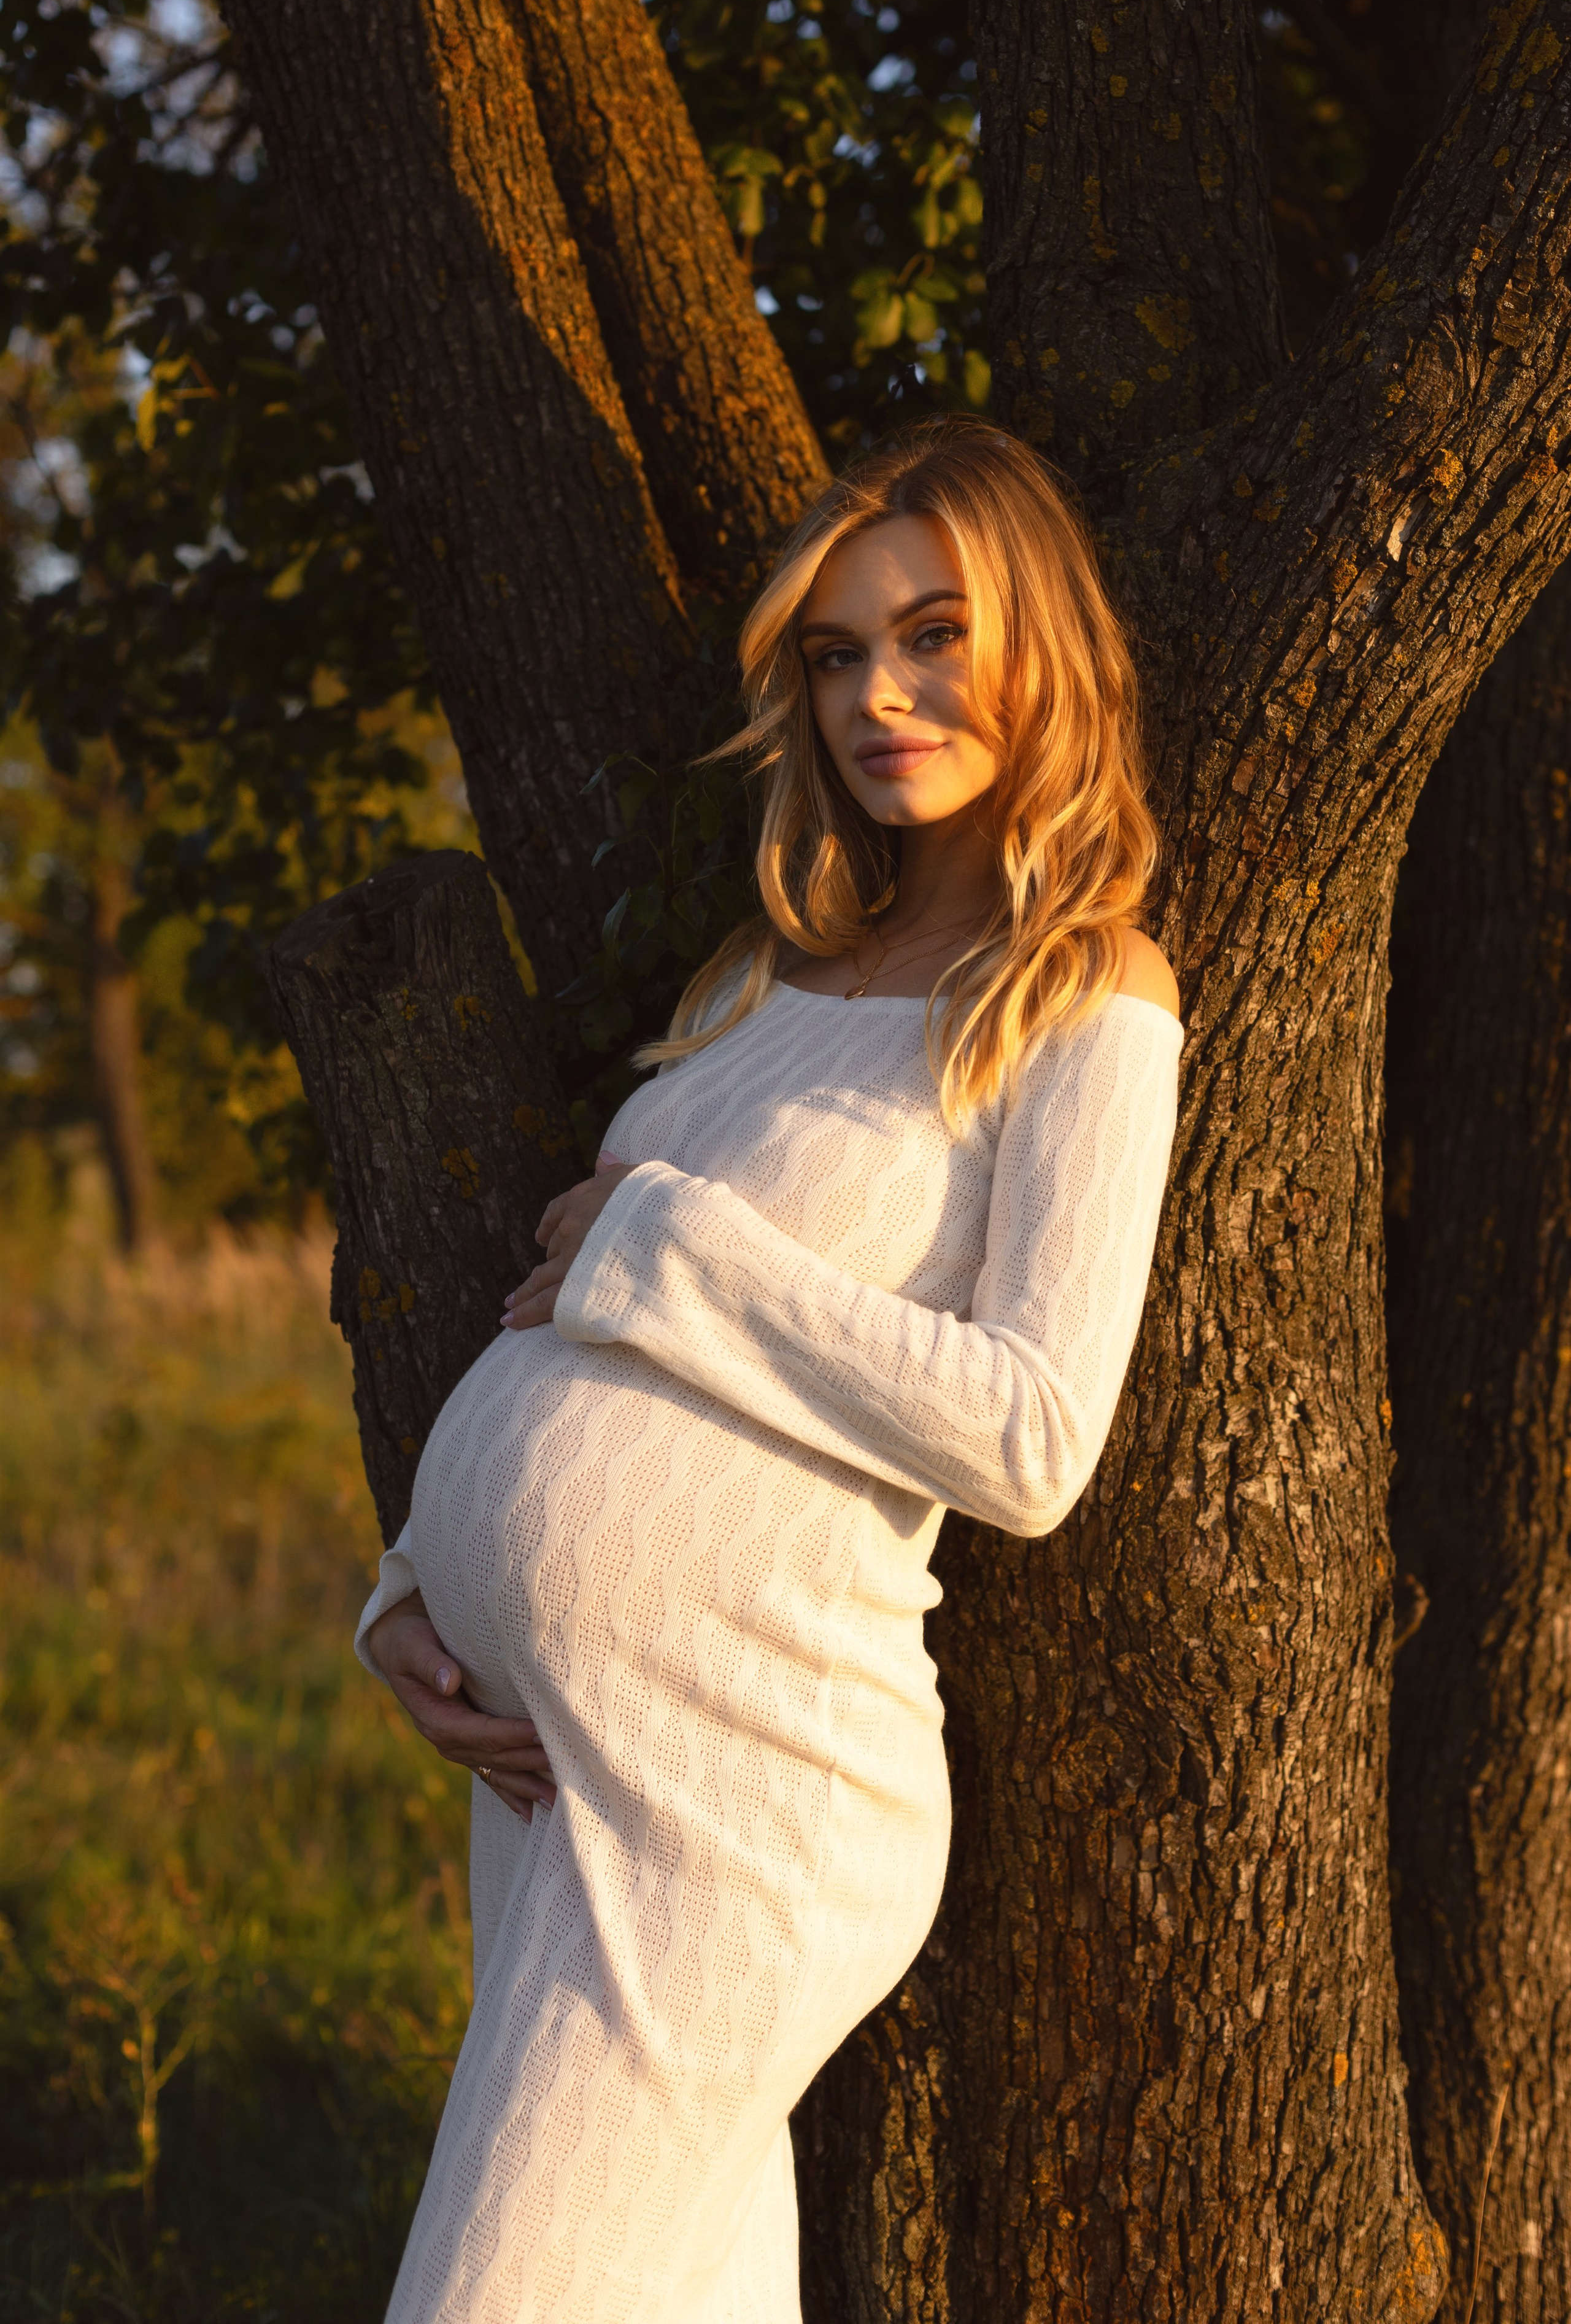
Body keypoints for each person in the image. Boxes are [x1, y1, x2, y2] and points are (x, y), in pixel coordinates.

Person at [358, 416, 1181, 2323]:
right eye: (834, 655)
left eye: (935, 635)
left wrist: (659, 1244)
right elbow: (553, 1339)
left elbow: (1036, 1436)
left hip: (748, 1801)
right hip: (562, 1776)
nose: (878, 696)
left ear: (1044, 646)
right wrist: (413, 1584)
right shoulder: (762, 981)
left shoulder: (1085, 997)